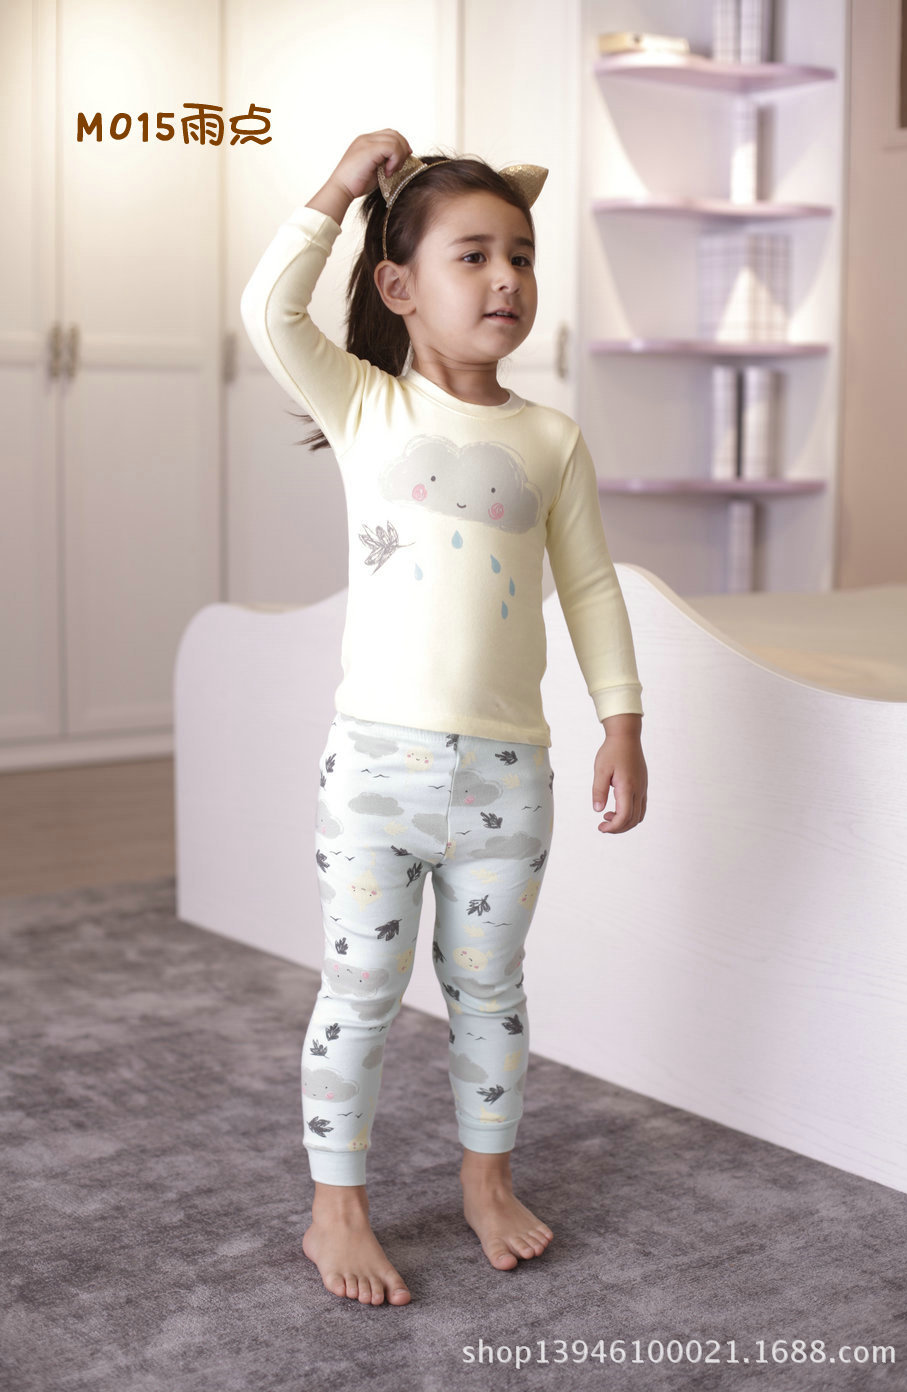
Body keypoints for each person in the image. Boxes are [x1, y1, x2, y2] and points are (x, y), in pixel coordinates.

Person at [239, 129, 648, 1307]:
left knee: (491, 994)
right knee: (359, 993)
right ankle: (336, 1209)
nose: (506, 277)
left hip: (507, 780)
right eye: (472, 255)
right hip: (375, 772)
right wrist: (337, 187)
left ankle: (486, 1182)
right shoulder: (366, 406)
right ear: (398, 287)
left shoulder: (550, 440)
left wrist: (620, 721)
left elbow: (590, 589)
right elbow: (270, 311)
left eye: (520, 254)